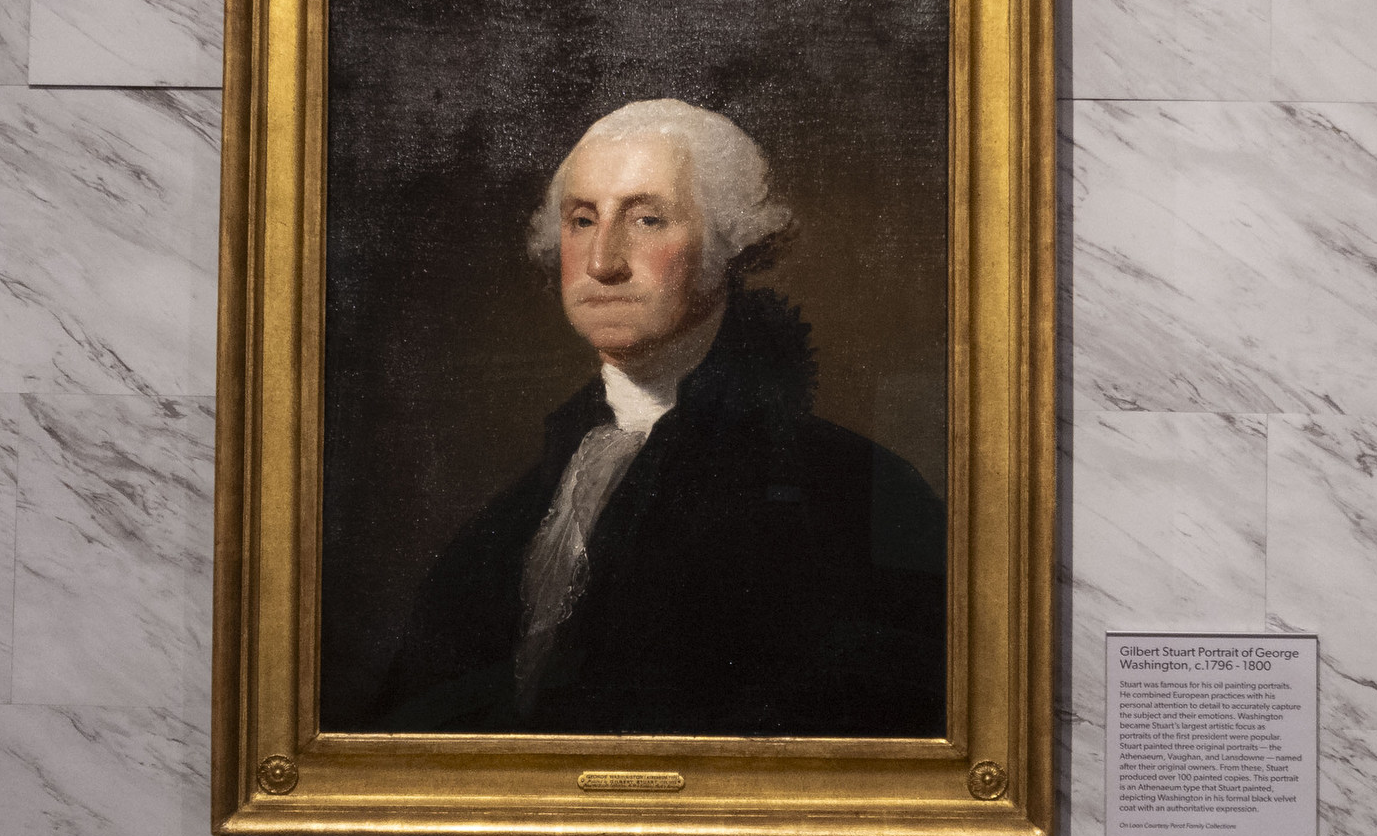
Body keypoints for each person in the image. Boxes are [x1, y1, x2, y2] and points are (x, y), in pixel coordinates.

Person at [367, 100, 947, 735]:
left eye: (647, 219)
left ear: (730, 243)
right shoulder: (503, 524)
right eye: (582, 220)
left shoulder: (852, 490)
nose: (602, 263)